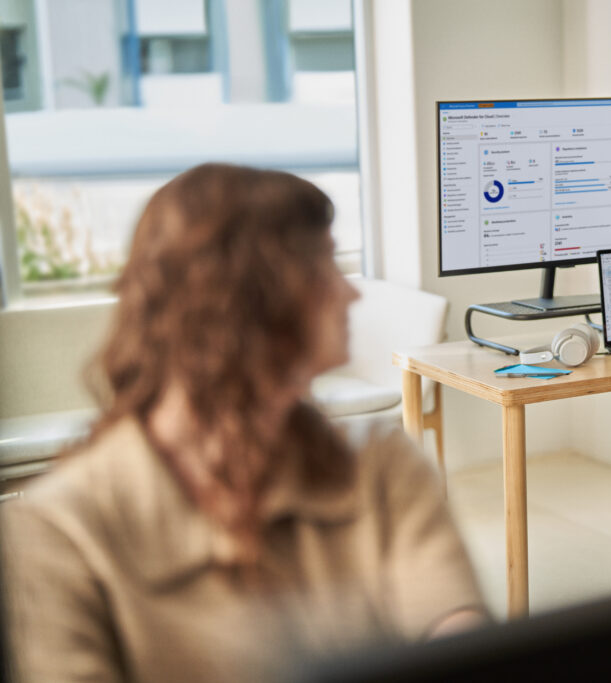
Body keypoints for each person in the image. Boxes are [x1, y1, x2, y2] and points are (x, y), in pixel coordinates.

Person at [1, 164, 488, 682]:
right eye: (324, 267)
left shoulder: (383, 462)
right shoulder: (56, 531)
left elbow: (458, 629)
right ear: (241, 293)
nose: (352, 294)